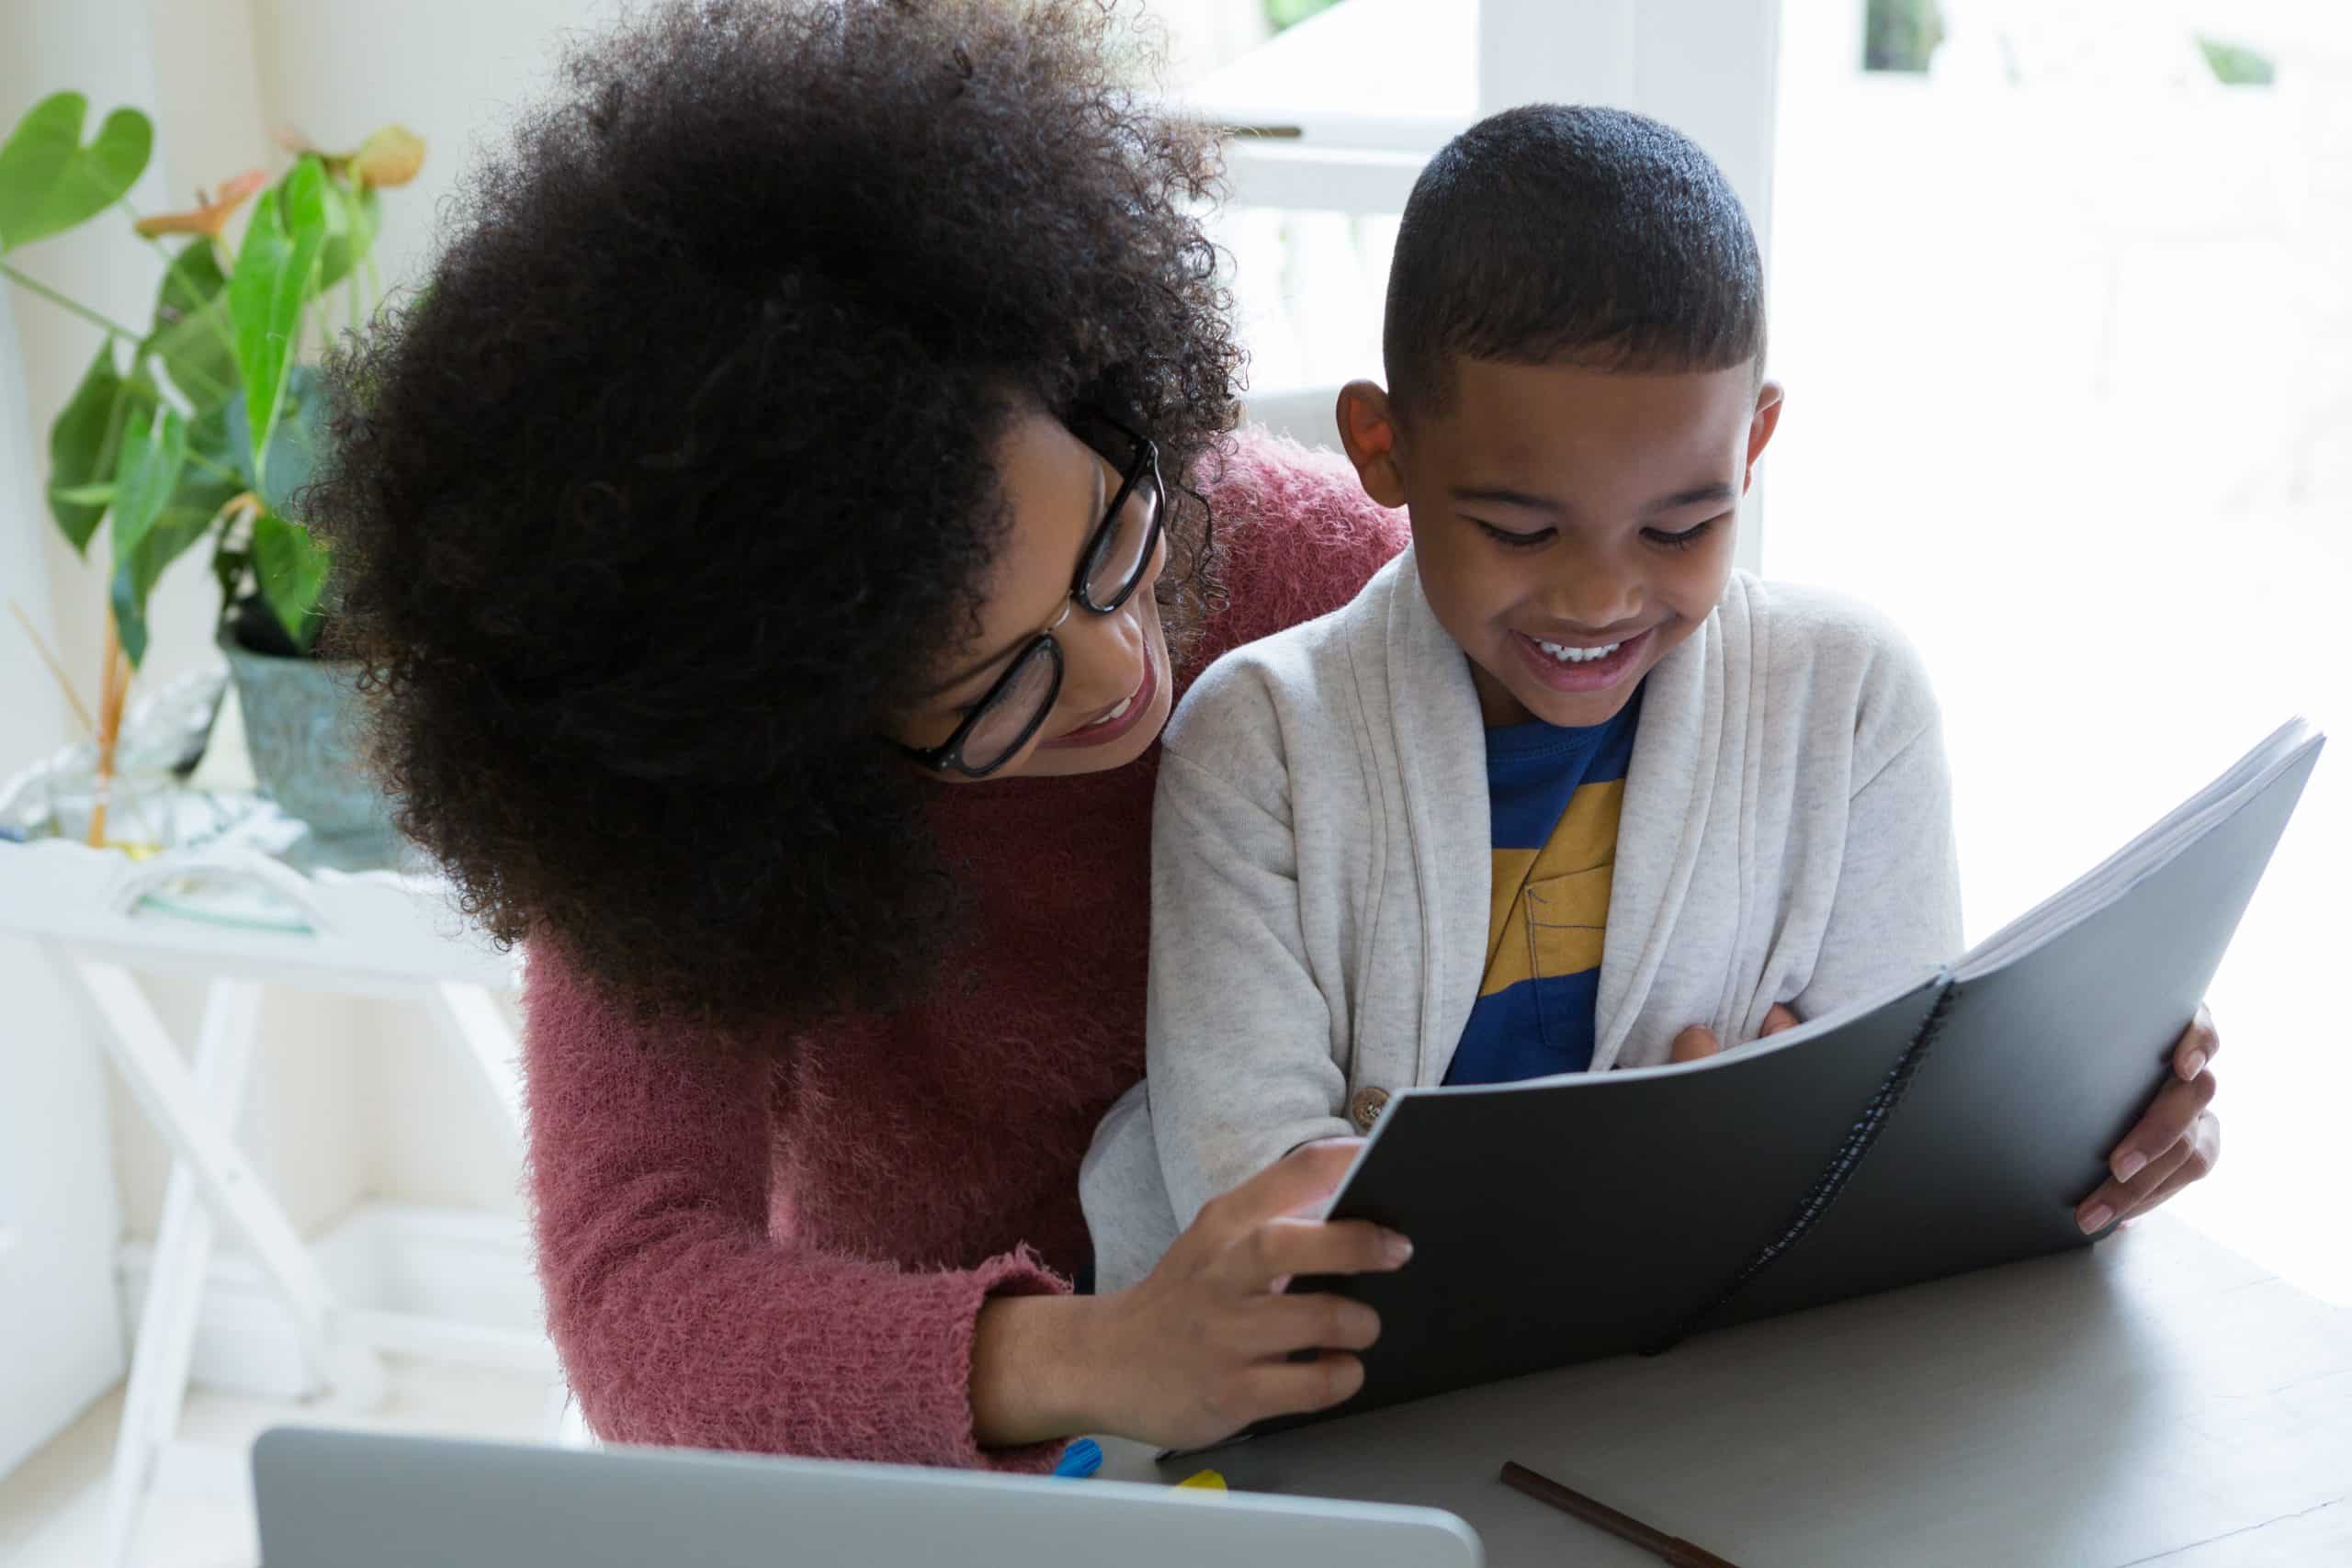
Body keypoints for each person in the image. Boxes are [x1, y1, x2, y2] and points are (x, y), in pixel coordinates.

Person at [308, 1, 2222, 1471]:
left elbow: (1684, 751)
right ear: (773, 724)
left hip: (1397, 1393)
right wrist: (1092, 1347)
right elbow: (636, 1294)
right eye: (988, 686)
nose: (1127, 671)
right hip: (993, 1455)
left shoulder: (1284, 553)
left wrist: (1999, 1113)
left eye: (1116, 544)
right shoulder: (676, 840)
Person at [1080, 105, 2222, 1292]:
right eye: (1519, 528)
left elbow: (1888, 1160)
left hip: (1727, 1372)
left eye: (1685, 525)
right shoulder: (1260, 741)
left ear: (1755, 439)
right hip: (1339, 1396)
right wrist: (1689, 1175)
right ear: (1384, 448)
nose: (1600, 597)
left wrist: (2093, 1125)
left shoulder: (1850, 705)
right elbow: (1261, 1217)